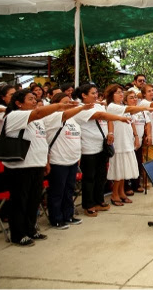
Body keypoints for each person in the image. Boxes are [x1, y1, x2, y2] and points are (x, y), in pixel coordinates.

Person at [2, 89, 80, 246]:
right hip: (20, 166)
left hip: (36, 164)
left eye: (34, 98)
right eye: (30, 99)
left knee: (33, 200)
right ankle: (18, 234)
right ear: (18, 103)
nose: (34, 101)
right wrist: (60, 106)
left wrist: (46, 161)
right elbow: (38, 113)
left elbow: (42, 141)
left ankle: (31, 229)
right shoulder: (14, 115)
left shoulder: (37, 120)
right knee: (20, 201)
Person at [75, 84, 131, 218]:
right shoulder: (80, 108)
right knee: (90, 178)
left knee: (101, 177)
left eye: (96, 93)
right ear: (84, 95)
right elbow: (100, 115)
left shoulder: (99, 105)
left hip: (102, 146)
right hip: (88, 148)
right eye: (92, 93)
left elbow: (107, 117)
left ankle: (99, 201)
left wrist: (110, 132)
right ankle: (88, 205)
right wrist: (120, 118)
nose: (96, 95)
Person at [45, 93, 97, 229]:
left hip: (72, 160)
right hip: (58, 160)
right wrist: (82, 108)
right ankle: (56, 218)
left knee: (69, 190)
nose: (70, 104)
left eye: (70, 101)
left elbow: (77, 137)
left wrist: (78, 155)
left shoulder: (73, 120)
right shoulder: (52, 117)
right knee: (57, 191)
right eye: (65, 102)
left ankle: (68, 215)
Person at [104, 85, 153, 207]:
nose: (121, 94)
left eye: (122, 92)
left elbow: (131, 121)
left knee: (124, 168)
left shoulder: (121, 107)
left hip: (126, 140)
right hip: (119, 141)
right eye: (118, 93)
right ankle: (114, 194)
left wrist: (136, 136)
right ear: (111, 95)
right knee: (118, 169)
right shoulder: (112, 106)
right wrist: (148, 106)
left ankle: (121, 192)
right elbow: (129, 111)